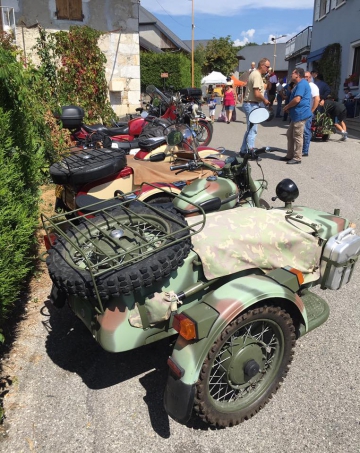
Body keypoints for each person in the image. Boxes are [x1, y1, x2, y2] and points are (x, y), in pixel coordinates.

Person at [280, 68, 312, 164]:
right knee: (290, 134)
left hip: (300, 114)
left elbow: (297, 99)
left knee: (297, 136)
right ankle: (290, 155)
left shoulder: (302, 84)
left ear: (297, 74)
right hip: (296, 114)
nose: (291, 75)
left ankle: (297, 157)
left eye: (293, 73)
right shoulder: (299, 84)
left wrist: (287, 106)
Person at [240, 57, 271, 154]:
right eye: (267, 67)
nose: (268, 69)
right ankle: (250, 151)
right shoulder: (257, 75)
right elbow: (257, 93)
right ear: (262, 65)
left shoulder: (255, 74)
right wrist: (265, 100)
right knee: (253, 129)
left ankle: (244, 150)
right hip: (251, 104)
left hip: (250, 104)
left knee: (250, 129)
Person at [302, 71, 320, 157]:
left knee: (306, 131)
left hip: (307, 112)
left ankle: (305, 150)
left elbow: (317, 99)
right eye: (304, 76)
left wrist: (311, 111)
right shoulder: (302, 85)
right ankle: (299, 149)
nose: (305, 78)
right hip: (301, 112)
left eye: (307, 77)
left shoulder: (312, 86)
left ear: (310, 78)